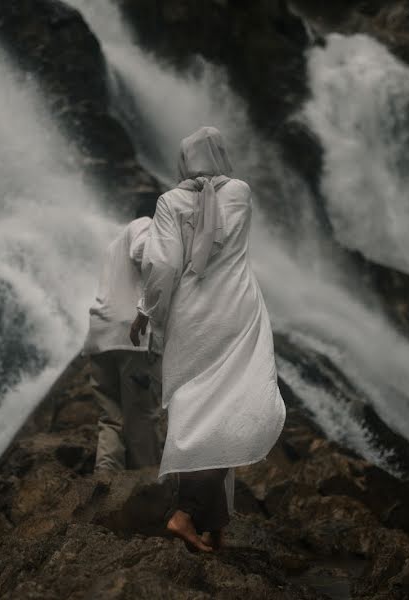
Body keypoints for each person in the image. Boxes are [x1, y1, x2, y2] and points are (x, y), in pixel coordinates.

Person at [130, 126, 286, 553]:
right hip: (238, 310)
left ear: (183, 162)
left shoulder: (170, 203)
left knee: (198, 411)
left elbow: (162, 265)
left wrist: (145, 311)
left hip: (193, 318)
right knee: (235, 407)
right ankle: (198, 519)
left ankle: (204, 521)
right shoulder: (240, 192)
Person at [83, 217, 163, 473]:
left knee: (111, 420)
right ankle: (148, 488)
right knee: (142, 420)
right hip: (132, 337)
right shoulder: (146, 224)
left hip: (100, 336)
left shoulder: (113, 245)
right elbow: (144, 251)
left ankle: (104, 485)